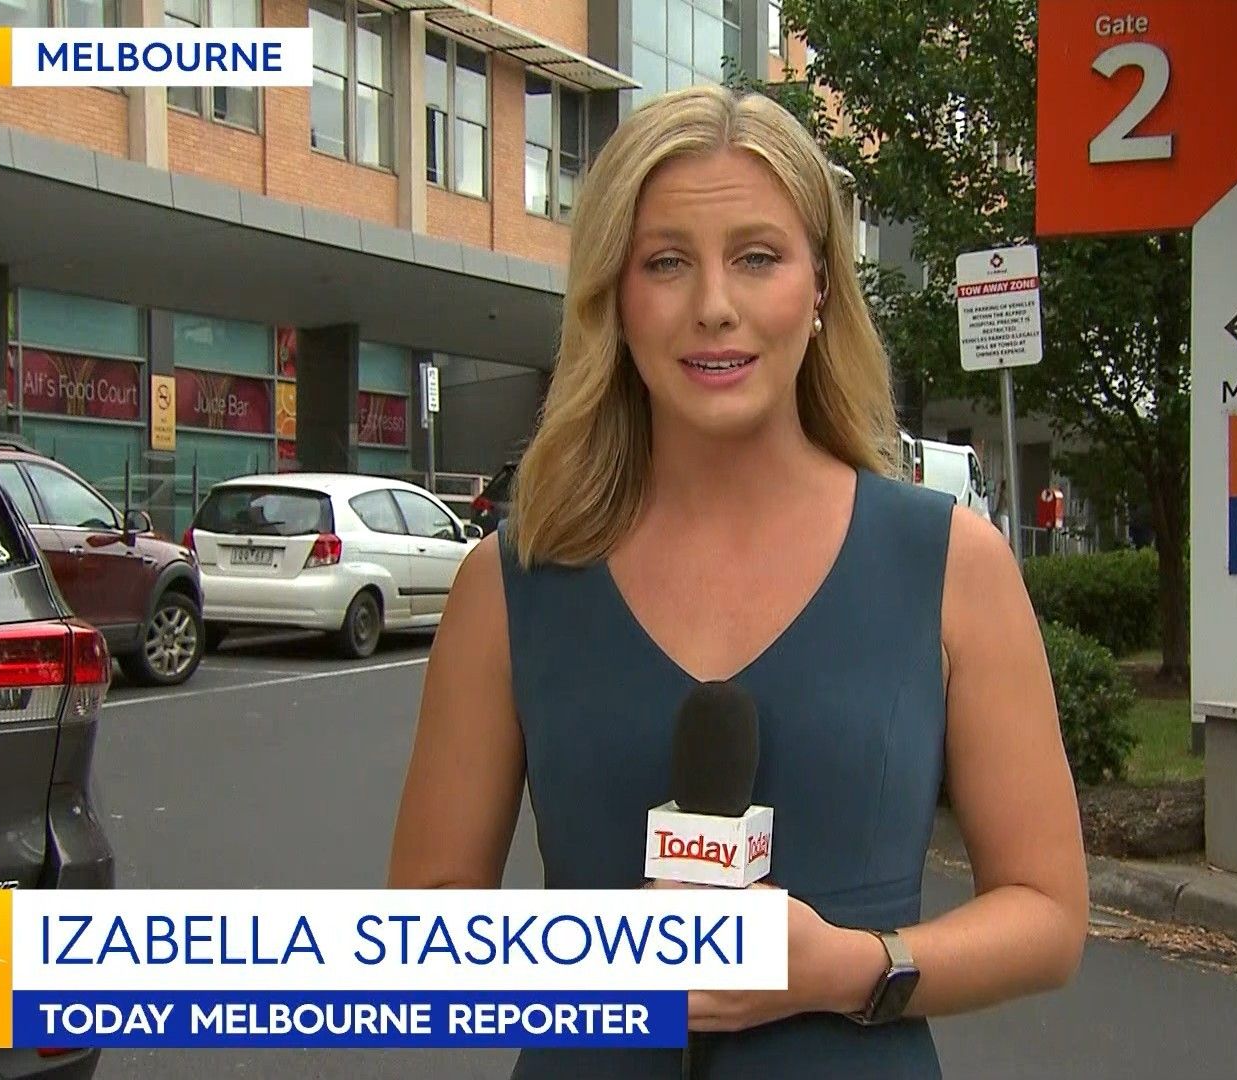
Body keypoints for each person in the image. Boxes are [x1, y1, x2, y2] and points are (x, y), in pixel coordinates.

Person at [386, 84, 1086, 1078]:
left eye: (757, 257)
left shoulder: (951, 565)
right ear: (615, 297)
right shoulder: (508, 586)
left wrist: (848, 969)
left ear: (820, 287)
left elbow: (1048, 916)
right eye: (666, 262)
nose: (713, 304)